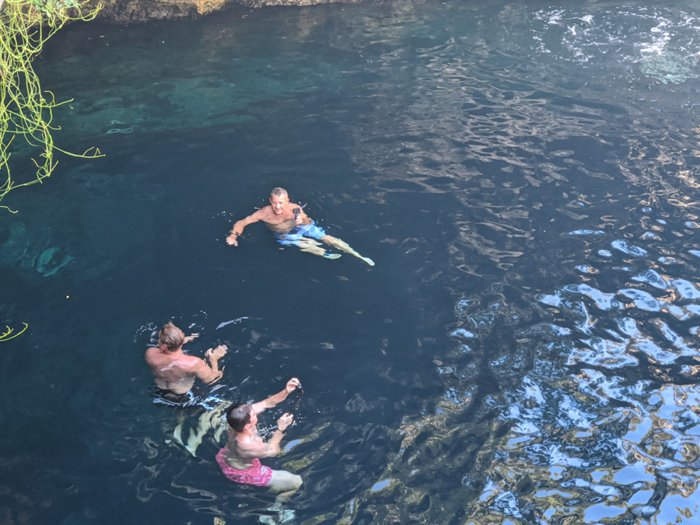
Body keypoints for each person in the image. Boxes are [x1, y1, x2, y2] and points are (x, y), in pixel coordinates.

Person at [226, 187, 375, 266]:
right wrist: (233, 236)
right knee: (306, 244)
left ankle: (357, 255)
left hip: (300, 227)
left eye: (281, 202)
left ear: (287, 200)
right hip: (284, 234)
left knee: (327, 238)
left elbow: (307, 222)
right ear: (270, 200)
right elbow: (241, 222)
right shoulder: (264, 213)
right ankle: (324, 253)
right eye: (275, 202)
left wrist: (301, 220)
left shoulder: (295, 209)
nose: (278, 206)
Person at [217, 377, 303, 497]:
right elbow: (273, 451)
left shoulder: (235, 421)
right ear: (247, 426)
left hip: (225, 456)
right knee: (297, 482)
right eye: (253, 415)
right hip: (241, 472)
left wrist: (286, 390)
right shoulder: (248, 445)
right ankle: (278, 504)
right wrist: (280, 428)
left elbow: (266, 403)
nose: (255, 413)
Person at [145, 321, 227, 405]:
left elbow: (163, 348)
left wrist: (178, 340)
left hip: (159, 392)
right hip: (183, 397)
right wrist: (214, 359)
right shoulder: (194, 363)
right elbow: (212, 379)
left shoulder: (150, 353)